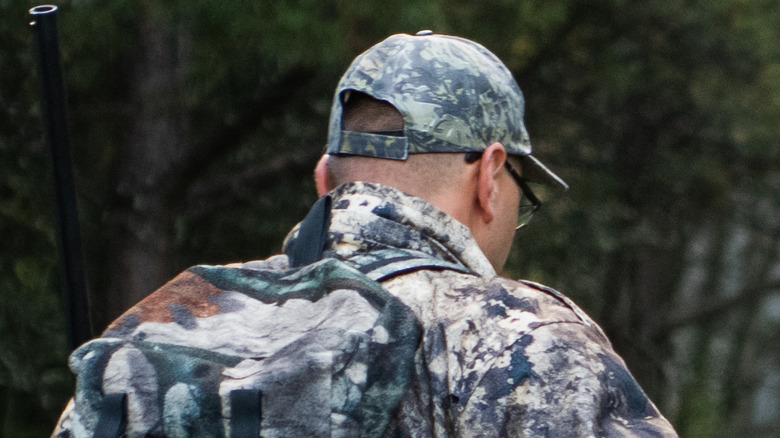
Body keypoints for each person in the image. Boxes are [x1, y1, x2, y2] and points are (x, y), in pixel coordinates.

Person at [286, 31, 679, 436]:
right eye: (521, 195)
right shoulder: (527, 342)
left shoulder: (216, 302)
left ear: (323, 182)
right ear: (489, 176)